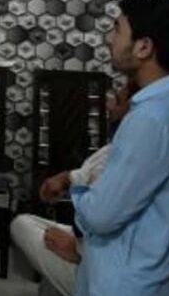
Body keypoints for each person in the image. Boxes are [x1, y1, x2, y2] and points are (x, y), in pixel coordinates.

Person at [70, 0, 169, 296]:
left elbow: (100, 215)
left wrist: (81, 190)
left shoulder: (152, 118)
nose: (109, 39)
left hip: (131, 283)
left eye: (117, 29)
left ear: (143, 47)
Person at [11, 82, 137, 296]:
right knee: (24, 223)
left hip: (104, 268)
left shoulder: (136, 161)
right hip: (91, 242)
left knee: (26, 230)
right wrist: (63, 178)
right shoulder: (119, 146)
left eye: (116, 101)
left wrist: (79, 252)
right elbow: (85, 173)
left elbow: (111, 224)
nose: (108, 106)